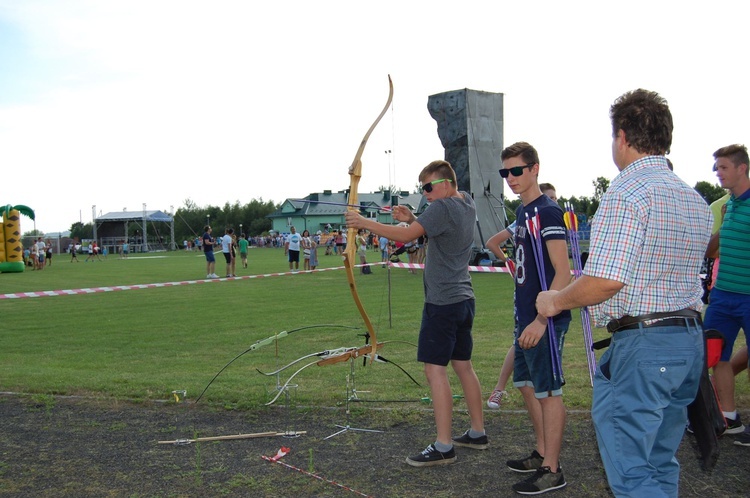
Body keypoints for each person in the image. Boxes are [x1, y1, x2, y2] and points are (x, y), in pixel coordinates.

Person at [535, 89, 712, 497]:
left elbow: (606, 281)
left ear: (622, 137)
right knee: (659, 458)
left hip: (645, 344)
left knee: (632, 468)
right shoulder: (693, 198)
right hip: (687, 339)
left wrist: (554, 301)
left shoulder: (629, 192)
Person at [345, 160, 486, 468]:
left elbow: (408, 236)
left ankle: (444, 445)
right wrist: (414, 217)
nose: (425, 194)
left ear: (446, 184)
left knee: (435, 370)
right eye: (422, 188)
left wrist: (362, 222)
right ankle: (477, 432)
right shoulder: (467, 203)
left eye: (429, 188)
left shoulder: (442, 207)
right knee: (463, 366)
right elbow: (432, 227)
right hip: (463, 300)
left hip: (443, 303)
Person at [498, 144, 571, 495]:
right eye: (505, 172)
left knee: (549, 392)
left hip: (545, 319)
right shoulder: (522, 211)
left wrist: (543, 319)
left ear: (534, 169)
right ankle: (542, 451)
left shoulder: (548, 212)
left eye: (517, 171)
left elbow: (563, 273)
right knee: (526, 386)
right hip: (525, 316)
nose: (511, 178)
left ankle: (552, 469)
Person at [487, 184, 558, 411]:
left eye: (555, 198)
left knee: (534, 355)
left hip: (550, 294)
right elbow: (492, 242)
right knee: (520, 342)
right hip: (527, 295)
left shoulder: (554, 218)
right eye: (550, 198)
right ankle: (499, 388)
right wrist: (512, 264)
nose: (553, 202)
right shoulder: (525, 216)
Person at [703, 144, 750, 437]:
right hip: (722, 296)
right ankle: (729, 417)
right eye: (716, 167)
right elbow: (716, 246)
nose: (717, 173)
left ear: (741, 168)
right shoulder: (728, 205)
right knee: (714, 354)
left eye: (722, 167)